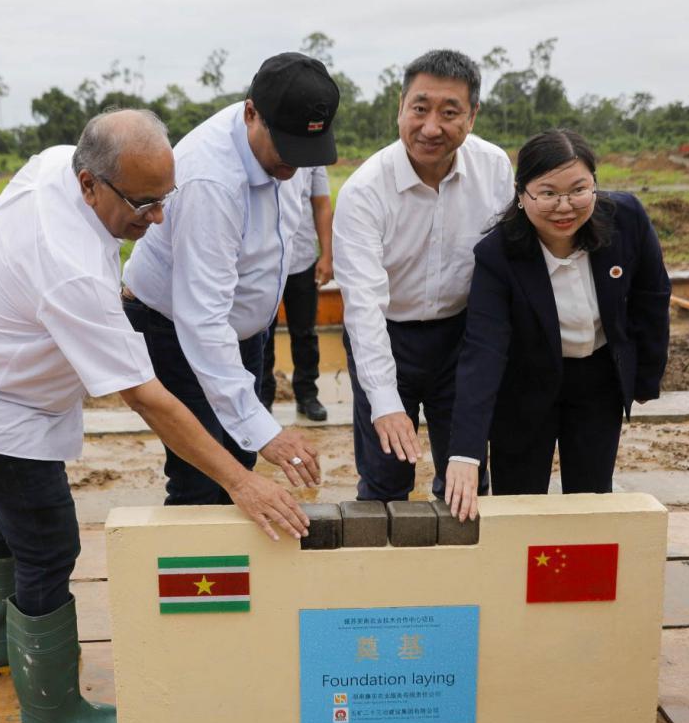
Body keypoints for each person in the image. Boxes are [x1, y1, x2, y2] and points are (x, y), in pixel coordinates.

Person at [0, 110, 309, 723]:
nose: (156, 219)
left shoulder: (51, 163)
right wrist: (243, 482)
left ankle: (0, 650)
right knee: (48, 541)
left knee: (7, 516)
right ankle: (51, 706)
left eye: (165, 199)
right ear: (88, 183)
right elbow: (148, 398)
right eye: (143, 203)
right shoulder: (69, 264)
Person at [122, 53, 340, 505]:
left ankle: (234, 567)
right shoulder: (210, 181)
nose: (293, 167)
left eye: (305, 154)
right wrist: (266, 431)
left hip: (245, 330)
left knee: (241, 459)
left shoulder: (287, 150)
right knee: (203, 474)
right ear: (250, 112)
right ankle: (196, 571)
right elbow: (201, 320)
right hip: (174, 328)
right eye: (286, 150)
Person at [445, 128, 671, 521]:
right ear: (521, 194)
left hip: (597, 381)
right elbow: (483, 349)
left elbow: (652, 299)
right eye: (547, 193)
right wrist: (466, 452)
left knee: (590, 497)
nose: (565, 207)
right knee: (519, 500)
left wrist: (645, 379)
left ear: (595, 185)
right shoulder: (497, 255)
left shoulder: (626, 220)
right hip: (524, 385)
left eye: (579, 190)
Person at [332, 49, 513, 503]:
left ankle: (464, 572)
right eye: (420, 108)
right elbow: (364, 306)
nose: (431, 127)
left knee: (466, 472)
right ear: (400, 107)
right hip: (387, 334)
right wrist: (386, 404)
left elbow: (507, 269)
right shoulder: (365, 191)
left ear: (472, 116)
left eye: (449, 112)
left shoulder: (493, 170)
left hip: (461, 337)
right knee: (386, 477)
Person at [261, 165, 333, 421]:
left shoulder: (314, 155)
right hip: (261, 260)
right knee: (261, 334)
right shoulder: (258, 145)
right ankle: (261, 400)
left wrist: (327, 254)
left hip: (301, 257)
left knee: (304, 332)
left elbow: (321, 203)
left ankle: (307, 396)